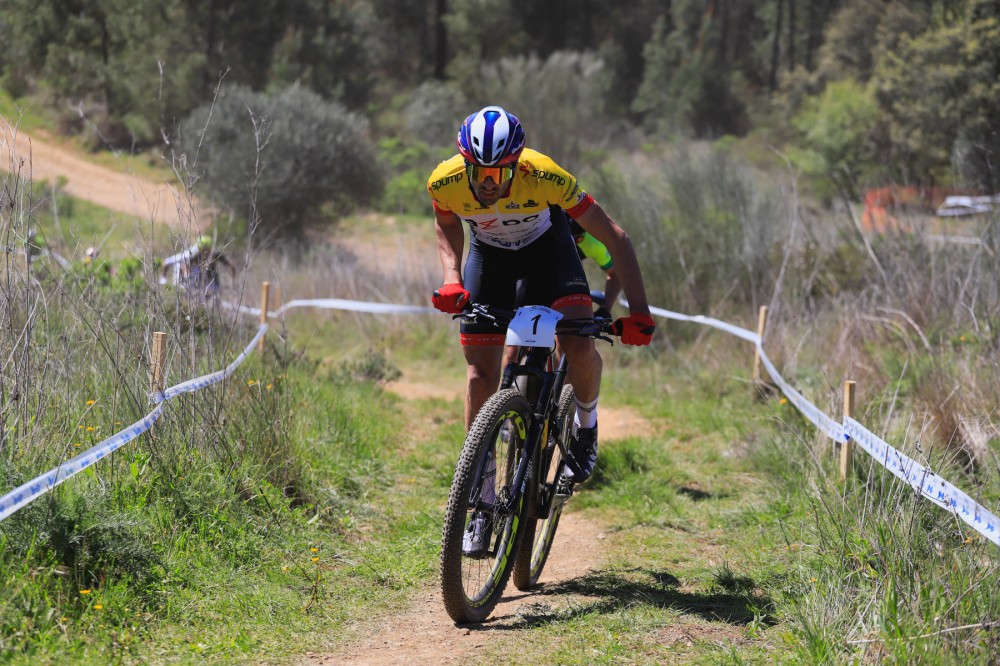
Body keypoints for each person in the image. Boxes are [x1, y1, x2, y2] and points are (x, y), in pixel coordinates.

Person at [427, 105, 656, 494]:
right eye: (478, 171)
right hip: (489, 258)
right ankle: (480, 498)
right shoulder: (443, 181)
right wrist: (451, 279)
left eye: (498, 172)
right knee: (480, 376)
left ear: (517, 165)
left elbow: (616, 238)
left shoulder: (547, 175)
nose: (487, 183)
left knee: (578, 343)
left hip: (547, 253)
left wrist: (639, 312)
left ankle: (586, 427)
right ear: (463, 163)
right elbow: (447, 223)